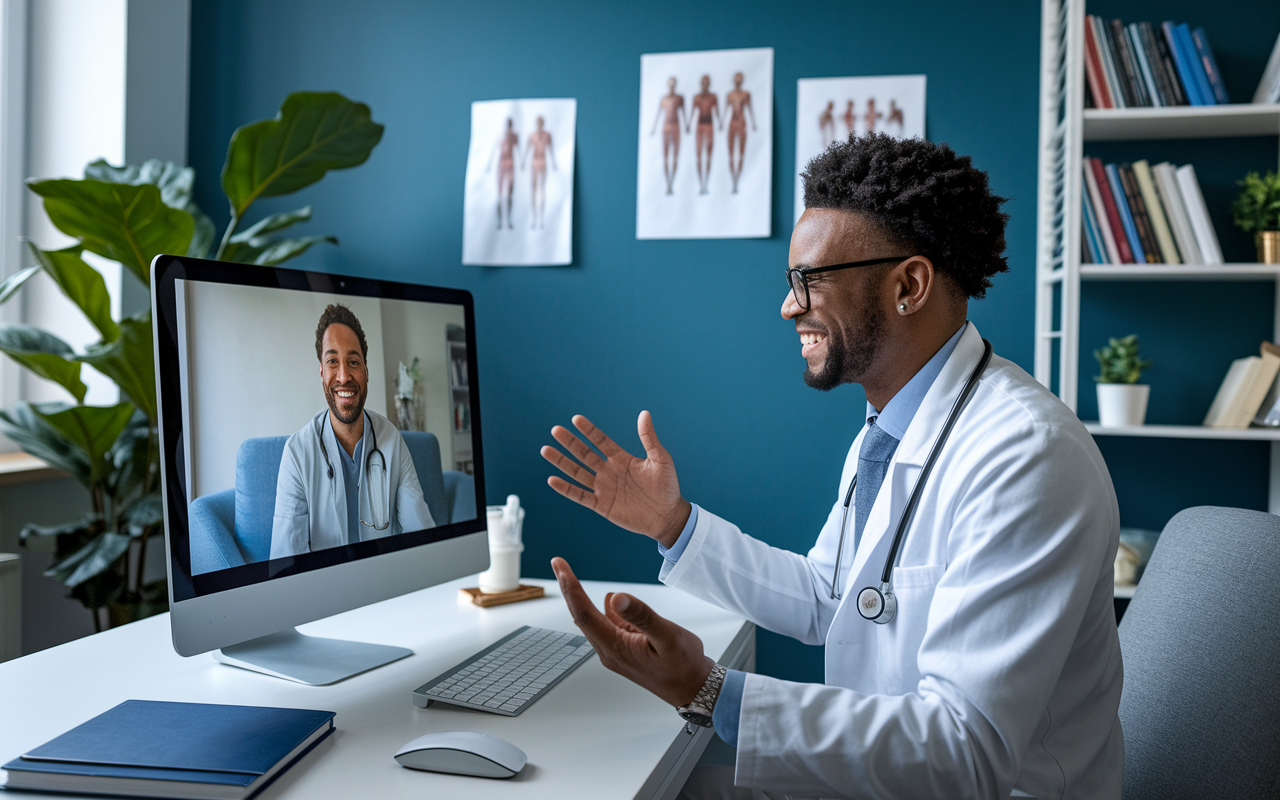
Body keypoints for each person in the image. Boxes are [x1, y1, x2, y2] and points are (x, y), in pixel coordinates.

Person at [541, 134, 1123, 799]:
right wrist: (674, 525)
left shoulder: (1026, 457)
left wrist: (710, 693)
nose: (789, 307)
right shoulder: (892, 427)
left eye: (808, 281)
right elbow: (833, 596)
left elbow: (969, 750)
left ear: (908, 284)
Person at [269, 304, 435, 558]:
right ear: (322, 372)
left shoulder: (392, 440)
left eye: (353, 362)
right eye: (333, 361)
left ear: (366, 372)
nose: (344, 376)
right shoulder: (297, 454)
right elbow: (286, 565)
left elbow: (423, 539)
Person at [650, 77, 686, 195]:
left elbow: (683, 112)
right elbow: (658, 113)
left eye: (673, 83)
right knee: (666, 156)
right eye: (670, 83)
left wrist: (686, 125)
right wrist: (654, 128)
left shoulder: (679, 98)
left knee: (675, 156)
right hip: (666, 127)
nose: (671, 85)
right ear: (667, 84)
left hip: (676, 126)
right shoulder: (664, 99)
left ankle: (672, 183)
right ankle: (668, 184)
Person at [522, 115, 557, 229]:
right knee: (534, 190)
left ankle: (541, 218)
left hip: (543, 162)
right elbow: (527, 149)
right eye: (538, 123)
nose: (540, 125)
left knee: (542, 190)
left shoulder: (547, 136)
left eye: (541, 123)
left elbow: (551, 149)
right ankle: (533, 217)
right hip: (535, 162)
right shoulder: (532, 136)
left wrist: (553, 163)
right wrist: (523, 161)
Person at [687, 74, 720, 195]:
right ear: (701, 83)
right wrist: (689, 123)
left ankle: (706, 184)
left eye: (707, 81)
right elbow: (693, 111)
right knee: (699, 156)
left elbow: (717, 111)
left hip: (710, 126)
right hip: (699, 127)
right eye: (703, 81)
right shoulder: (697, 98)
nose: (705, 84)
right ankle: (701, 184)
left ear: (709, 83)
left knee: (709, 156)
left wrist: (720, 122)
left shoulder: (713, 97)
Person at [725, 73, 756, 194]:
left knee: (741, 154)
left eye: (740, 78)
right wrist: (722, 122)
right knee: (732, 155)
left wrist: (753, 123)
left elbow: (750, 109)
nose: (738, 80)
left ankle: (738, 180)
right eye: (736, 77)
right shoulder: (730, 95)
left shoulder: (746, 94)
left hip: (742, 124)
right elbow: (726, 109)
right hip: (732, 124)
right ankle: (733, 180)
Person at [486, 117, 519, 229]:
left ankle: (509, 219)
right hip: (501, 164)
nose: (508, 127)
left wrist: (522, 162)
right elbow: (495, 149)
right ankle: (499, 221)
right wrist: (489, 164)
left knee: (509, 194)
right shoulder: (500, 136)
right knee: (499, 195)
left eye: (509, 125)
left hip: (510, 164)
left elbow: (517, 150)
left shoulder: (514, 136)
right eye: (507, 125)